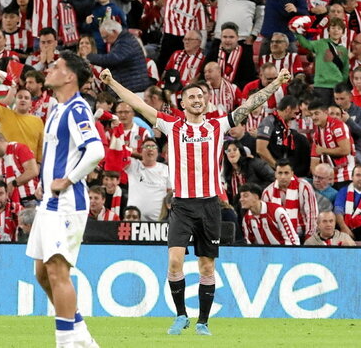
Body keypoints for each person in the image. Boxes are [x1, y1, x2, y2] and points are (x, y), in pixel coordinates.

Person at [100, 64, 291, 336]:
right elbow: (137, 103)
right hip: (182, 205)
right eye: (191, 97)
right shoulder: (172, 126)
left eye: (201, 96)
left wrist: (274, 85)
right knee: (175, 261)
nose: (197, 100)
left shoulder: (217, 125)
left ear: (207, 100)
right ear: (182, 102)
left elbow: (250, 104)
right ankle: (181, 316)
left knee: (206, 265)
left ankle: (203, 322)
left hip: (210, 205)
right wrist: (111, 82)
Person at [25, 51, 105, 348]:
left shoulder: (77, 109)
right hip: (49, 202)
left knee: (59, 272)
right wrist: (45, 183)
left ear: (70, 76)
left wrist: (67, 179)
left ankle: (66, 342)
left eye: (56, 66)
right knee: (42, 274)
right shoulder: (56, 108)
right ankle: (80, 334)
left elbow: (96, 151)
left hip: (68, 203)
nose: (50, 68)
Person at [261, 158, 318, 241]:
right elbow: (266, 218)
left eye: (286, 173)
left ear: (292, 173)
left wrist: (309, 238)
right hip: (278, 236)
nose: (283, 176)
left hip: (302, 234)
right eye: (280, 173)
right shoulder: (267, 192)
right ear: (275, 174)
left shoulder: (304, 187)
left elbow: (312, 214)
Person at [0, 131, 40, 207]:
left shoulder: (19, 148)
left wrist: (13, 183)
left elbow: (33, 171)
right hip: (12, 204)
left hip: (30, 200)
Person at [125, 137, 171, 221]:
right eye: (147, 146)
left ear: (158, 152)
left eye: (153, 146)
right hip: (134, 219)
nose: (150, 149)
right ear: (141, 151)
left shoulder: (166, 169)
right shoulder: (133, 165)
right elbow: (119, 155)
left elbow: (170, 195)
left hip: (158, 220)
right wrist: (133, 152)